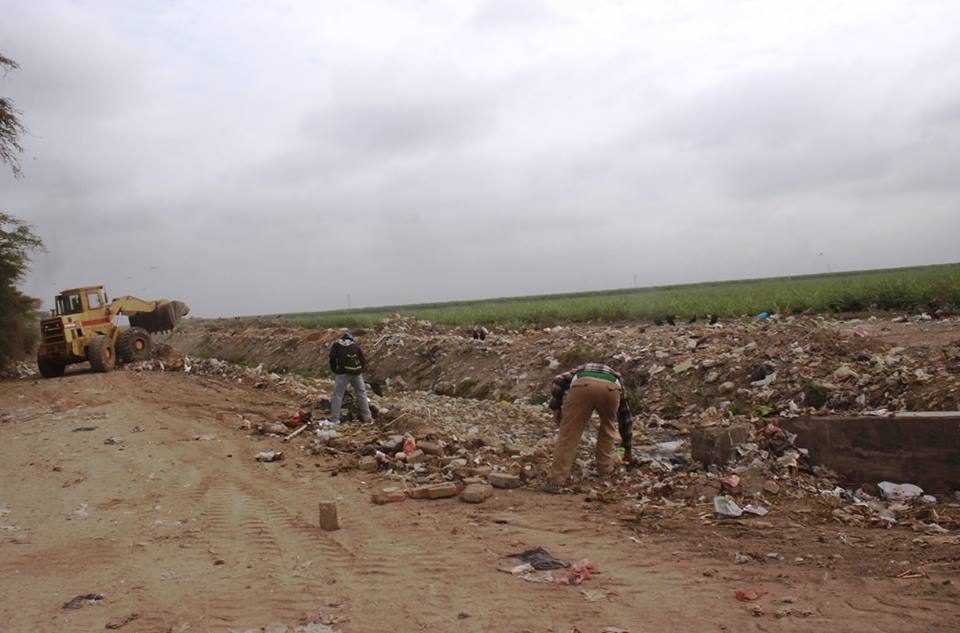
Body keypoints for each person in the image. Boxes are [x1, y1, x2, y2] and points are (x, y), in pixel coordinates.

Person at [544, 362, 633, 492]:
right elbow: (625, 417)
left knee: (569, 433)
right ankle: (605, 472)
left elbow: (558, 379)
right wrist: (627, 448)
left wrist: (556, 407)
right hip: (611, 387)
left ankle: (556, 481)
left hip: (582, 385)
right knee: (607, 430)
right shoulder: (617, 376)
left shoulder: (579, 370)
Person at [328, 333, 373, 423]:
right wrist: (360, 370)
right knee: (361, 394)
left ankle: (334, 419)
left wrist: (335, 370)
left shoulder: (337, 345)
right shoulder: (355, 346)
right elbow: (362, 360)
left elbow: (332, 358)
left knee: (338, 395)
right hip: (356, 373)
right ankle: (367, 417)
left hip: (343, 373)